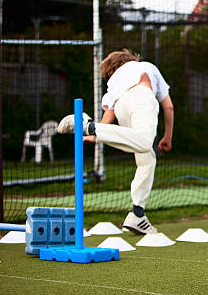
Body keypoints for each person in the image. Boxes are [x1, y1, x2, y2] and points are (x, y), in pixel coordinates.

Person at [57, 49, 174, 235]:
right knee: (144, 143)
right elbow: (168, 106)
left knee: (146, 157)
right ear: (130, 59)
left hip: (122, 107)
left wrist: (96, 135)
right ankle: (87, 125)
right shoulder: (146, 66)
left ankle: (138, 214)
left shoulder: (116, 79)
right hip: (142, 98)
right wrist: (167, 136)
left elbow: (110, 111)